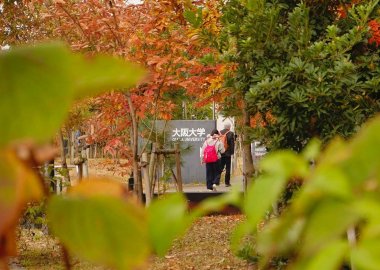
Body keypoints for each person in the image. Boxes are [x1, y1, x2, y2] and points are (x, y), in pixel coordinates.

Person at [218, 122, 235, 187]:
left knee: (220, 168)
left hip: (221, 153)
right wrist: (232, 153)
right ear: (229, 127)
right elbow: (232, 144)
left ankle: (217, 181)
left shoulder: (219, 133)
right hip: (227, 154)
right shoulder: (230, 133)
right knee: (228, 168)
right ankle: (227, 183)